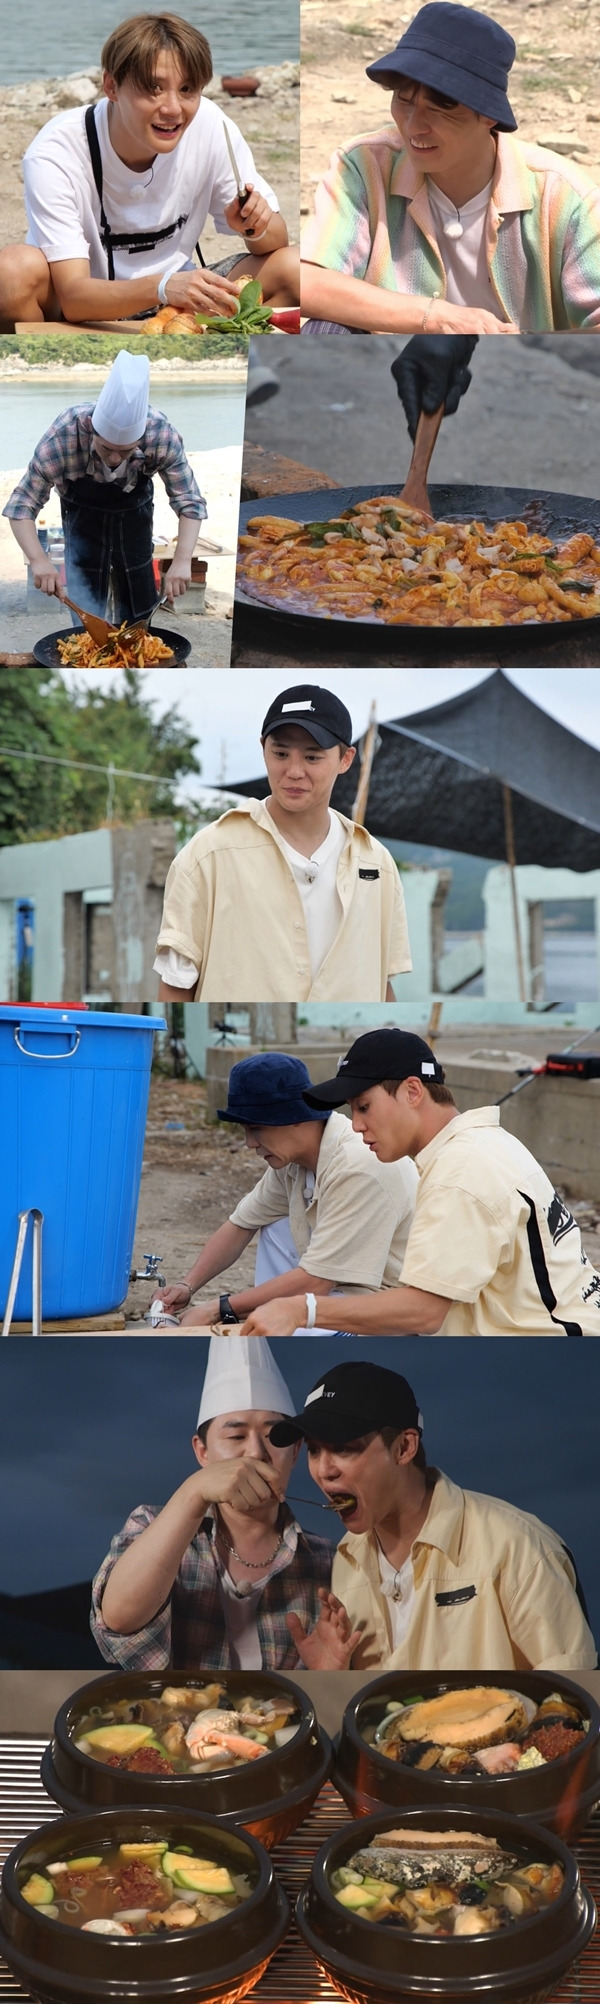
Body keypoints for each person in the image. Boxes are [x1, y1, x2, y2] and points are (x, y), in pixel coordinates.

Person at [240, 1027, 600, 1335]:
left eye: (364, 1106)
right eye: (351, 1110)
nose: (355, 1124)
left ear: (413, 1092)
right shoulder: (485, 1142)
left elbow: (424, 1312)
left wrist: (301, 1310)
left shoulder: (459, 1173)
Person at [270, 1359, 598, 1672]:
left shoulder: (516, 1546)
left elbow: (573, 1703)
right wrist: (332, 1677)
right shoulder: (346, 1561)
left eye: (343, 1448)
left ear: (404, 1447)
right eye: (314, 1450)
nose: (323, 1471)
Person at [301, 2, 600, 335]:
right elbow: (311, 282)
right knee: (326, 329)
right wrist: (436, 317)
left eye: (441, 106)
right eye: (403, 98)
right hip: (393, 368)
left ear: (489, 116)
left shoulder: (564, 197)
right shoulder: (364, 166)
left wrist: (521, 352)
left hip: (527, 377)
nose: (414, 126)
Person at [0, 11, 296, 331]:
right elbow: (73, 296)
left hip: (179, 301)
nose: (172, 109)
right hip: (85, 310)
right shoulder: (57, 152)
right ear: (111, 86)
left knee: (294, 267)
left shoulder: (211, 125)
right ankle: (49, 369)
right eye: (154, 88)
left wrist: (256, 226)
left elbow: (277, 245)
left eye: (187, 89)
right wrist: (164, 285)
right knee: (12, 273)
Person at [90, 1337, 360, 1672]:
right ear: (201, 1451)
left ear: (294, 1451)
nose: (256, 1453)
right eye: (235, 1437)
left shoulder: (328, 1560)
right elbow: (119, 1620)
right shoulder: (152, 1524)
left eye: (275, 1437)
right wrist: (193, 1492)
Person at [154, 684, 412, 1002]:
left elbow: (381, 983)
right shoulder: (208, 855)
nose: (293, 771)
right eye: (280, 753)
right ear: (263, 748)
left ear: (345, 759)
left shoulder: (376, 863)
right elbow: (176, 984)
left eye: (312, 756)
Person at [150, 1051, 418, 1334]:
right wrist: (186, 1286)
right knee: (271, 1219)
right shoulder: (293, 1161)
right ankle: (276, 1319)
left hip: (384, 1311)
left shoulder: (359, 1165)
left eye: (256, 1129)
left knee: (275, 1344)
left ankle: (287, 1328)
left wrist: (219, 1310)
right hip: (333, 1294)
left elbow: (317, 1281)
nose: (249, 1143)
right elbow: (240, 1224)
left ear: (295, 1118)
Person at [3, 351, 205, 622]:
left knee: (139, 599)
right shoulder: (65, 435)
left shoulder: (161, 435)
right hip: (81, 514)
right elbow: (22, 505)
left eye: (125, 451)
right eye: (106, 447)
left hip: (134, 512)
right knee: (86, 607)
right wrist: (39, 560)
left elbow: (189, 501)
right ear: (90, 428)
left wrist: (182, 560)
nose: (113, 458)